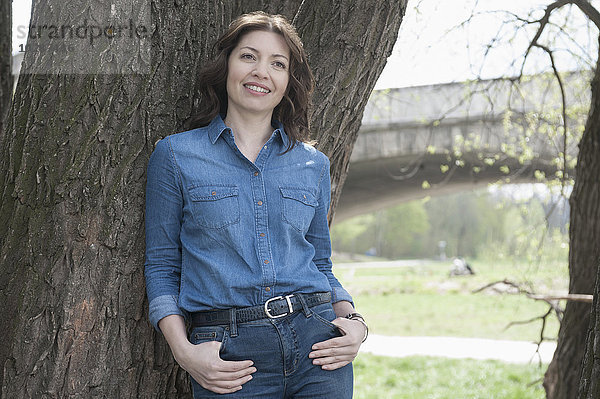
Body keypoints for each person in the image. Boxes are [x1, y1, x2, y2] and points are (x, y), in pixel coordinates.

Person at [144, 11, 368, 398]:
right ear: (226, 65)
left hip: (318, 347)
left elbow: (320, 264)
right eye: (249, 56)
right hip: (229, 357)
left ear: (287, 82)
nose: (261, 71)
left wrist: (356, 325)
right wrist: (184, 352)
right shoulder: (176, 155)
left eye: (277, 64)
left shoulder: (312, 164)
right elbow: (162, 265)